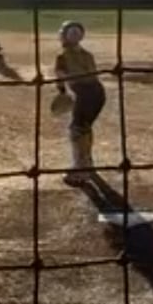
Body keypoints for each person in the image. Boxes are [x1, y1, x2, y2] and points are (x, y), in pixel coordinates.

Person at [47, 20, 105, 186]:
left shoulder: (62, 57)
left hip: (84, 94)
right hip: (98, 93)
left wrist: (62, 92)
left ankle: (80, 170)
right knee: (85, 128)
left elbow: (60, 78)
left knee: (77, 131)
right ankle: (88, 163)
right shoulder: (88, 54)